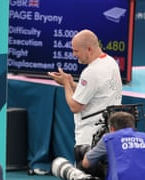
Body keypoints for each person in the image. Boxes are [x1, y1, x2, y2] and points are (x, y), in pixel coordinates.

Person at [47, 29, 122, 161]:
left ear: (89, 49)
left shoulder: (91, 72)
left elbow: (75, 106)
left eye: (76, 51)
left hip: (90, 138)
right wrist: (71, 83)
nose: (73, 54)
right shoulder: (110, 62)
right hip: (108, 133)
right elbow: (93, 92)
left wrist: (65, 84)